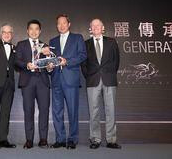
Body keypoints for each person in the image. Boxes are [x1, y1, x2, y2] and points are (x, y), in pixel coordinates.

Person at [81, 19, 121, 149]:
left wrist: (109, 73)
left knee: (111, 110)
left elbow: (116, 61)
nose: (96, 27)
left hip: (109, 80)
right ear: (90, 29)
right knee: (94, 111)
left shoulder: (111, 42)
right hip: (92, 80)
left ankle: (111, 140)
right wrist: (89, 75)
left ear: (103, 27)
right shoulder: (85, 44)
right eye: (93, 25)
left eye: (98, 25)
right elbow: (83, 64)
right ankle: (95, 139)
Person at [49, 14, 87, 149]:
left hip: (71, 80)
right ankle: (60, 139)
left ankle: (72, 139)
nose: (61, 25)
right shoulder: (52, 41)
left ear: (69, 24)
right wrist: (49, 66)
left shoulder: (78, 38)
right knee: (57, 111)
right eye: (59, 23)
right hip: (56, 80)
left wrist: (67, 62)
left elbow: (83, 55)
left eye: (64, 23)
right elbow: (51, 60)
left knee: (72, 111)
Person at [15, 19, 50, 149]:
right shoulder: (21, 44)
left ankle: (43, 139)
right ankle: (29, 140)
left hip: (42, 81)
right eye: (31, 29)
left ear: (40, 31)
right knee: (28, 111)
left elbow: (49, 65)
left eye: (37, 29)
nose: (34, 31)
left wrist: (50, 66)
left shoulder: (45, 46)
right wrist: (26, 65)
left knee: (44, 111)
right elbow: (16, 61)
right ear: (27, 31)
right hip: (27, 81)